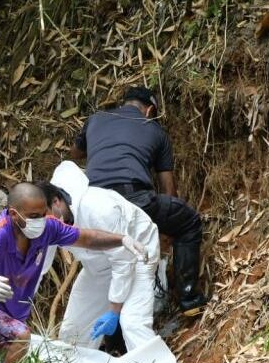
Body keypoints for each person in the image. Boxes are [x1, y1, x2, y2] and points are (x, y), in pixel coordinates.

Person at [38, 162, 211, 363]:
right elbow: (38, 266)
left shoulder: (97, 207)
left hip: (137, 255)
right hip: (97, 268)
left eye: (45, 216)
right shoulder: (46, 221)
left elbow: (123, 261)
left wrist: (114, 310)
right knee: (73, 330)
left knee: (132, 323)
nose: (44, 223)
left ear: (56, 201)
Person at [0, 182, 148, 363]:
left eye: (43, 214)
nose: (40, 221)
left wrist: (122, 240)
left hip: (4, 317)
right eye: (33, 216)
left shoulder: (48, 228)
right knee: (19, 337)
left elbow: (87, 238)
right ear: (14, 214)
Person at [70, 85, 206, 316]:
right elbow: (168, 189)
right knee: (188, 222)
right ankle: (190, 300)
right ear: (150, 110)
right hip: (134, 198)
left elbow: (74, 155)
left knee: (110, 263)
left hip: (91, 206)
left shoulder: (95, 119)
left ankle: (112, 331)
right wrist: (165, 229)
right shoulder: (156, 131)